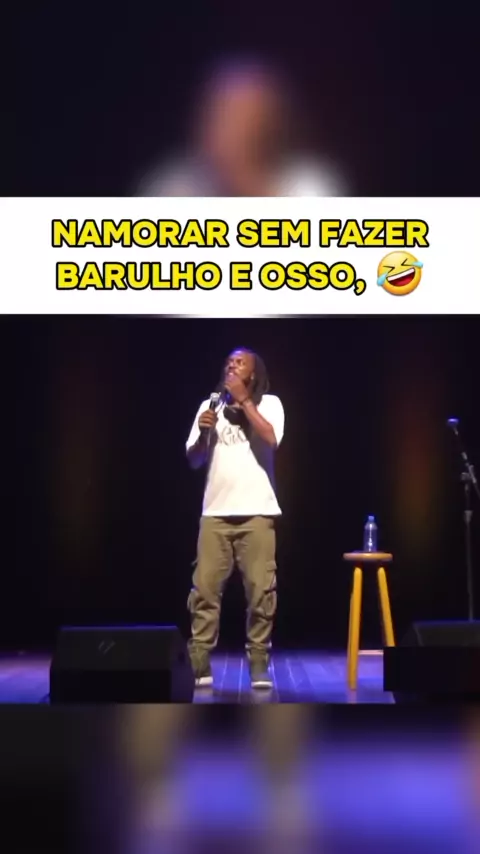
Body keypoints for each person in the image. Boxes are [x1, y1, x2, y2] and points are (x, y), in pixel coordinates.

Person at [185, 347, 284, 688]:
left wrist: (244, 401)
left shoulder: (269, 404)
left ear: (252, 374)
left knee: (261, 592)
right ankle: (199, 661)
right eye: (229, 362)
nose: (232, 366)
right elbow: (194, 459)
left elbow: (271, 439)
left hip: (257, 512)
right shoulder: (209, 405)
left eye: (239, 363)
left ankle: (258, 661)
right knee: (204, 592)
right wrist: (203, 434)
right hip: (215, 514)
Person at [137, 57, 344, 197]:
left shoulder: (309, 183)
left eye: (241, 115)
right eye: (217, 112)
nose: (224, 128)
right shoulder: (173, 184)